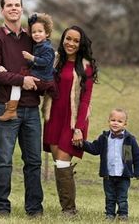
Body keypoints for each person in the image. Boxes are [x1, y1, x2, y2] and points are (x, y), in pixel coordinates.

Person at [0, 0, 44, 217]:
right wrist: (21, 79)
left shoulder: (32, 38)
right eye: (9, 5)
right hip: (7, 107)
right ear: (2, 10)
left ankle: (34, 209)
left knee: (34, 161)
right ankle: (1, 207)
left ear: (22, 9)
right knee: (3, 160)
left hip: (31, 109)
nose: (13, 8)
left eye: (17, 5)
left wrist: (9, 74)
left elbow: (43, 68)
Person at [42, 25, 98, 215]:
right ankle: (67, 207)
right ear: (63, 39)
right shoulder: (55, 61)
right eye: (68, 39)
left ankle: (69, 210)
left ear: (81, 44)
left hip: (73, 122)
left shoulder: (86, 66)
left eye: (75, 40)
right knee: (59, 163)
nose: (71, 43)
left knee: (64, 161)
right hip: (54, 117)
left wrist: (79, 128)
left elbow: (85, 100)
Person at [82, 108, 139, 221]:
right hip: (108, 175)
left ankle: (123, 214)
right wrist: (82, 143)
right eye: (113, 120)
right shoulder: (104, 138)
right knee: (109, 196)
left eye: (119, 121)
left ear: (125, 124)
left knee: (122, 197)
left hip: (124, 175)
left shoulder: (129, 139)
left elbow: (138, 156)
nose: (115, 123)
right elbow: (94, 149)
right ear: (108, 121)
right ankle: (109, 214)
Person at [0, 12, 57, 121]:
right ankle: (52, 92)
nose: (36, 34)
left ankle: (11, 110)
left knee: (18, 80)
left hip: (41, 78)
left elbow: (45, 61)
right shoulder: (39, 45)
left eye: (40, 31)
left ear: (47, 33)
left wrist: (31, 58)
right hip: (45, 79)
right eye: (34, 32)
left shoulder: (47, 48)